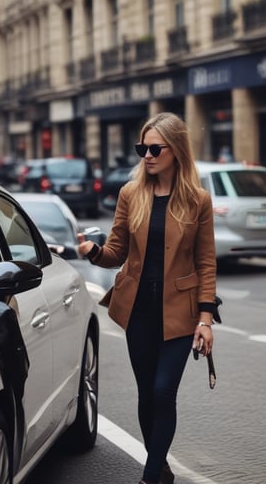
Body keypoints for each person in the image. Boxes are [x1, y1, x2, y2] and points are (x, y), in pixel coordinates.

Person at [77, 112, 216, 484]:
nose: (147, 156)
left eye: (155, 148)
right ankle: (163, 470)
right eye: (142, 148)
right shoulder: (130, 194)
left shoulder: (197, 200)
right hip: (139, 310)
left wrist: (205, 318)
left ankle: (150, 477)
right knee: (146, 396)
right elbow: (116, 254)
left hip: (181, 313)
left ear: (176, 151)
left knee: (162, 391)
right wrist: (93, 251)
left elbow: (205, 262)